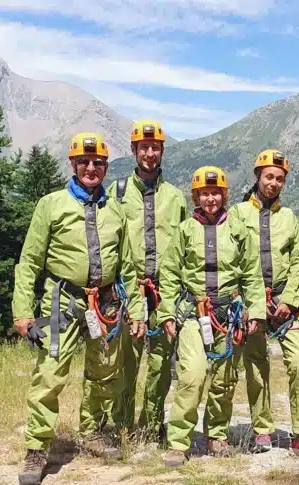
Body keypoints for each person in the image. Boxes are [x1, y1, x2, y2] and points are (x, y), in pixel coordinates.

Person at [12, 132, 146, 485]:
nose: (91, 168)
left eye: (98, 163)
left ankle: (93, 430)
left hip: (105, 304)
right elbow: (29, 262)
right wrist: (22, 311)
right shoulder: (51, 204)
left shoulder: (115, 210)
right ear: (73, 164)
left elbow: (129, 267)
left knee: (104, 372)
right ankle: (37, 448)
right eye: (84, 162)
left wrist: (137, 311)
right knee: (50, 375)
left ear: (105, 167)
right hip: (62, 303)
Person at [157, 166, 267, 466]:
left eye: (215, 193)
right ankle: (179, 442)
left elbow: (252, 275)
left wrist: (254, 310)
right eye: (204, 193)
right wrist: (166, 312)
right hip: (194, 313)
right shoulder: (184, 231)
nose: (210, 199)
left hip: (228, 315)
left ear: (224, 194)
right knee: (191, 376)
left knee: (224, 381)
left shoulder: (238, 230)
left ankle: (217, 435)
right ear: (195, 196)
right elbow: (168, 275)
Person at [228, 149, 299, 459]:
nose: (273, 183)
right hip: (252, 302)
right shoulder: (238, 213)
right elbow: (231, 259)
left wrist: (291, 299)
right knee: (256, 365)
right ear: (258, 176)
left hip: (286, 303)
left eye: (279, 179)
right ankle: (262, 430)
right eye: (269, 177)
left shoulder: (289, 217)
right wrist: (243, 300)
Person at [109, 119, 188, 442]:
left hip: (165, 291)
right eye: (144, 147)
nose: (150, 153)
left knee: (160, 361)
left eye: (155, 147)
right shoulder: (118, 194)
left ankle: (153, 423)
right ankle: (123, 425)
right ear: (134, 150)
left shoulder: (176, 197)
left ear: (162, 151)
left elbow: (187, 246)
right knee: (127, 360)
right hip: (129, 289)